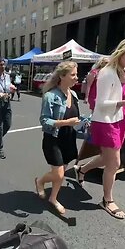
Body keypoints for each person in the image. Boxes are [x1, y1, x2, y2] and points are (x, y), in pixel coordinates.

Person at [73, 37, 125, 219]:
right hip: (105, 121)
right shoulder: (107, 72)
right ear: (121, 52)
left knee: (109, 159)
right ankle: (108, 200)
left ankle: (81, 169)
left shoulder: (124, 70)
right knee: (114, 163)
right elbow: (101, 103)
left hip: (119, 119)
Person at [35, 61, 81, 214]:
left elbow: (75, 117)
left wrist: (83, 123)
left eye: (76, 74)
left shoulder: (73, 94)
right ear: (62, 76)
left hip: (69, 138)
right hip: (53, 139)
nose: (76, 78)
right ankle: (40, 181)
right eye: (73, 74)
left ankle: (53, 198)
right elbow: (44, 120)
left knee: (60, 175)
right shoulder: (50, 96)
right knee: (58, 174)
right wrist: (65, 122)